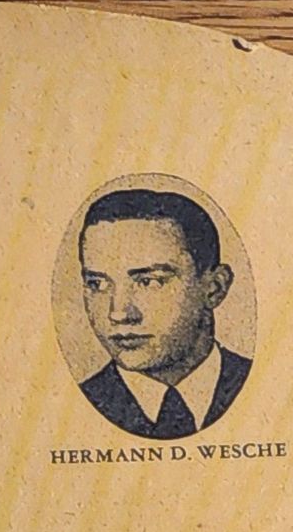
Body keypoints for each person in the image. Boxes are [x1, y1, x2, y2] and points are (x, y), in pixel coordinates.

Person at [74, 188, 251, 441]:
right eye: (97, 284)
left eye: (149, 282)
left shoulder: (266, 384)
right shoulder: (74, 405)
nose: (119, 314)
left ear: (214, 288)